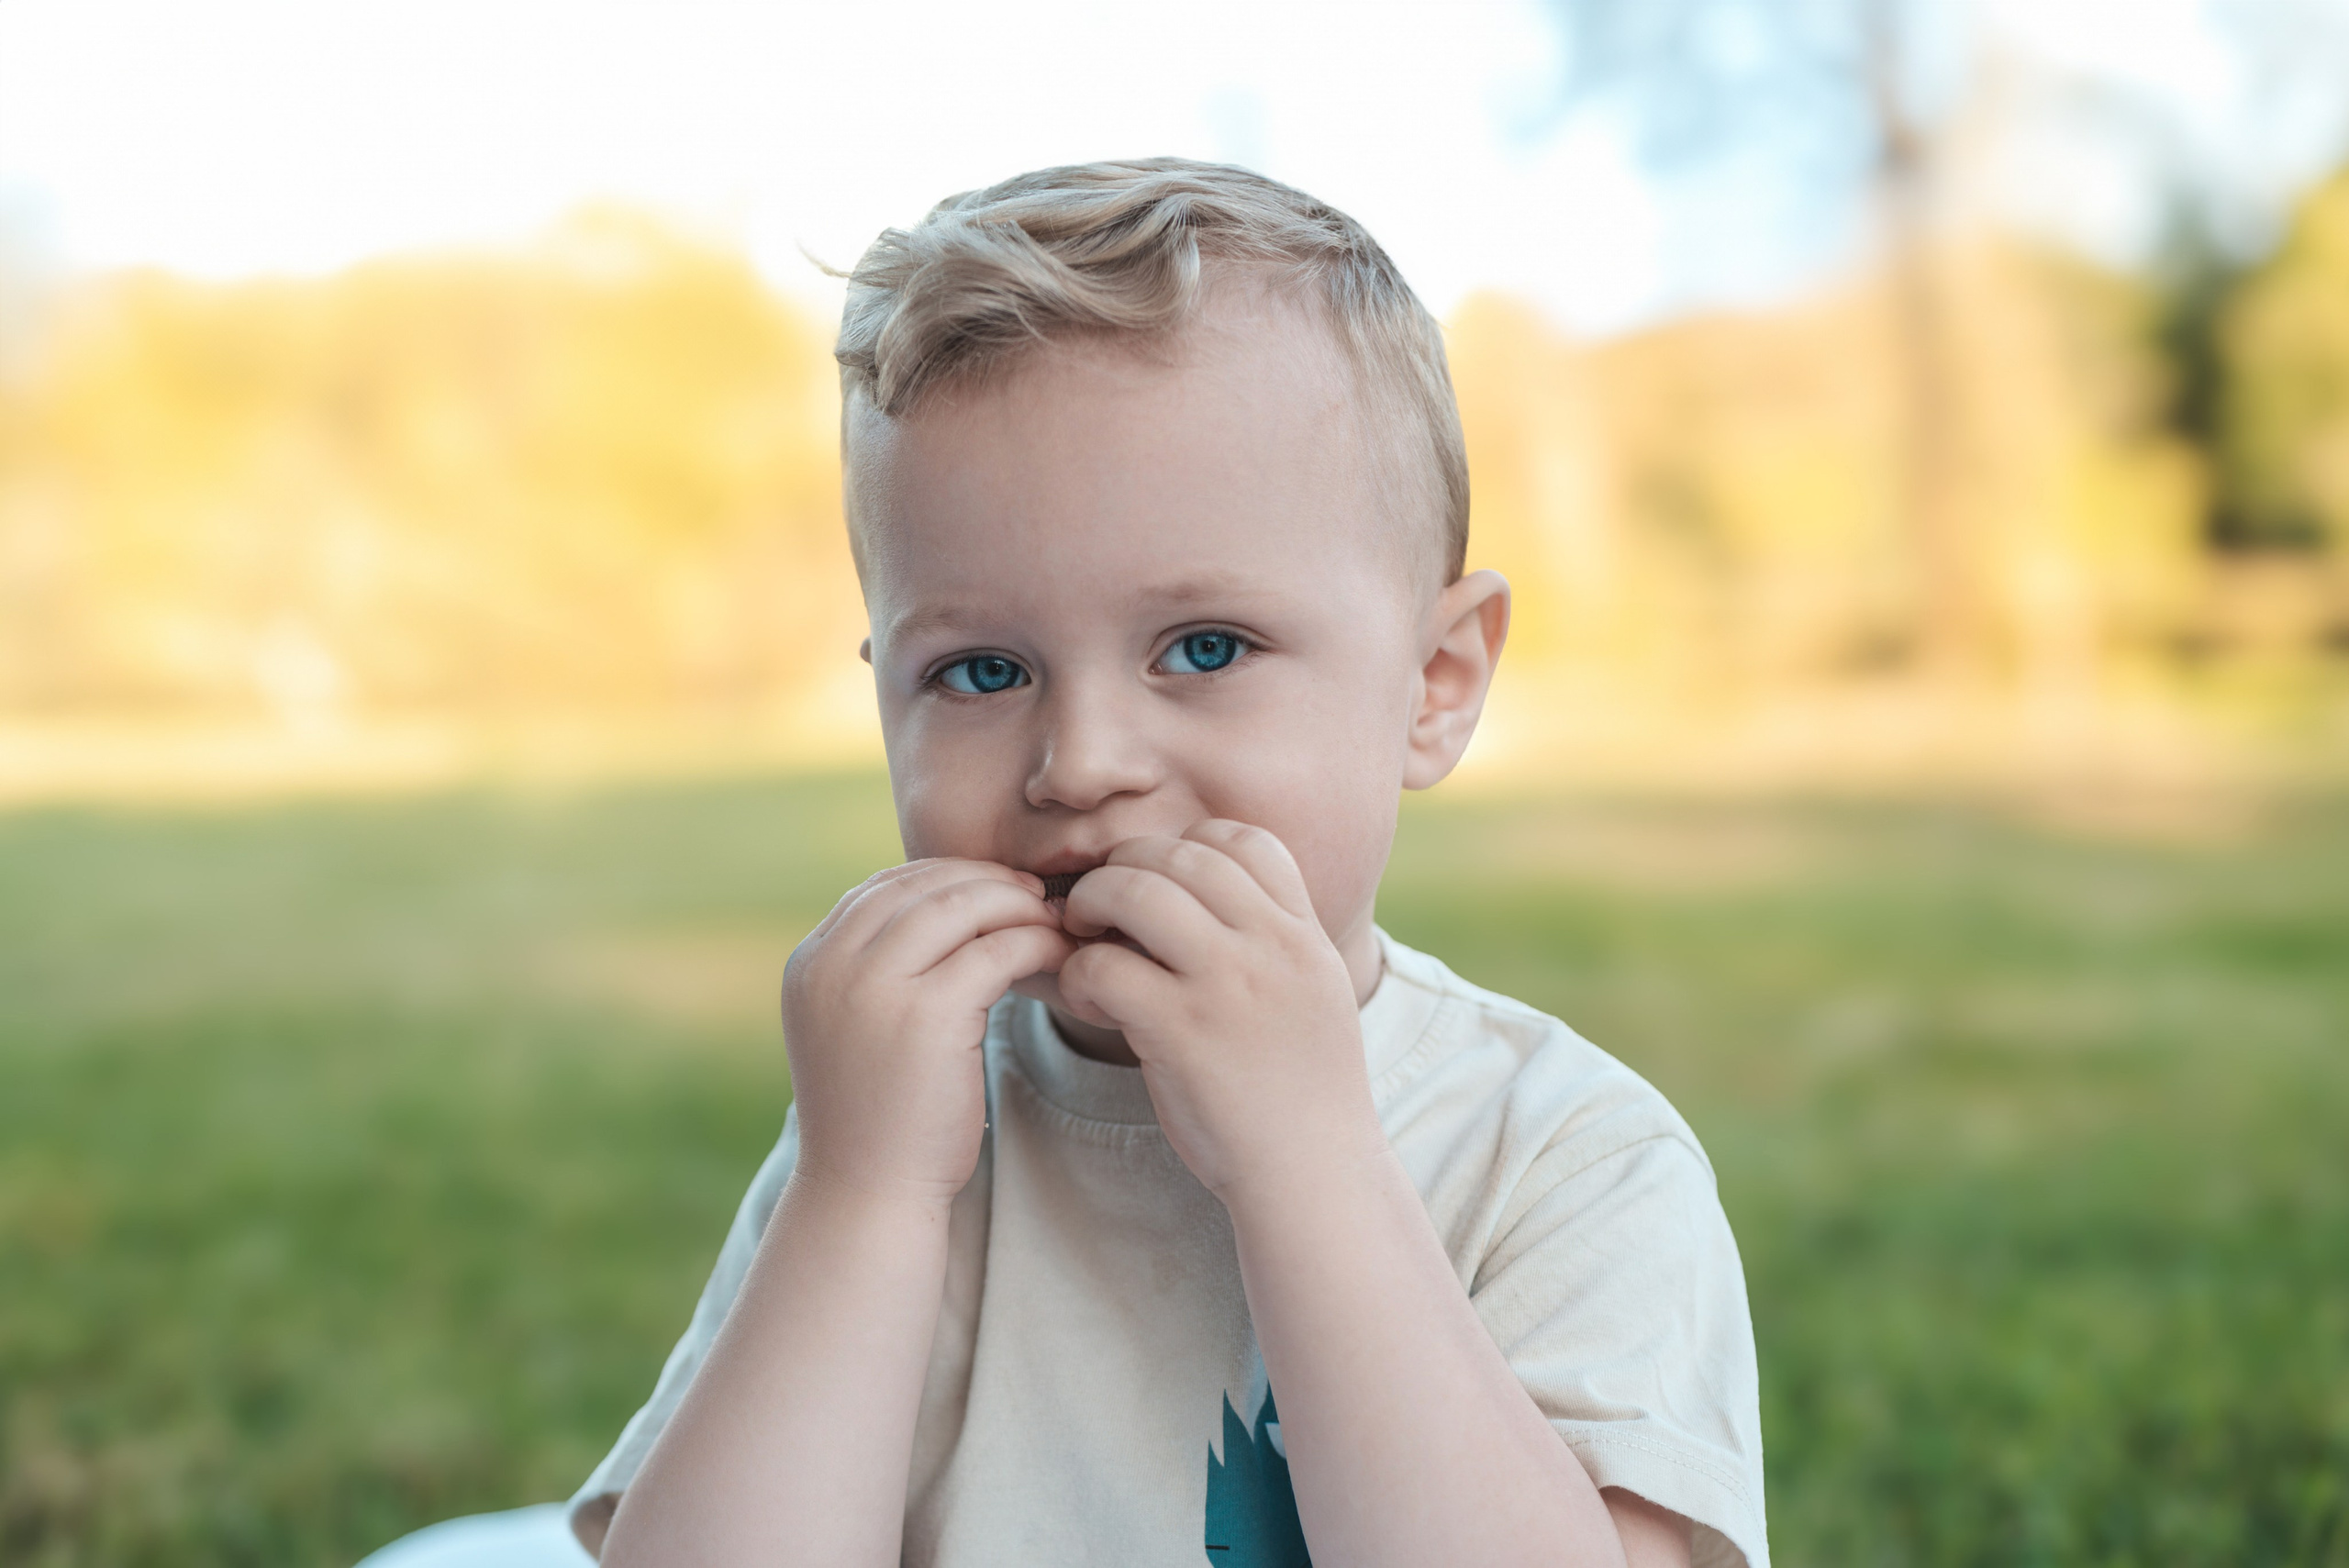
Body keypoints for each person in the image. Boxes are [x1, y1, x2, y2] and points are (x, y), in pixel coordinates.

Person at [369, 158, 1765, 1568]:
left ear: (1434, 682)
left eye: (1205, 647)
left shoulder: (1569, 1156)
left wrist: (1310, 1160)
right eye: (982, 669)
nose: (1081, 761)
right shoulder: (897, 1132)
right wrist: (860, 1197)